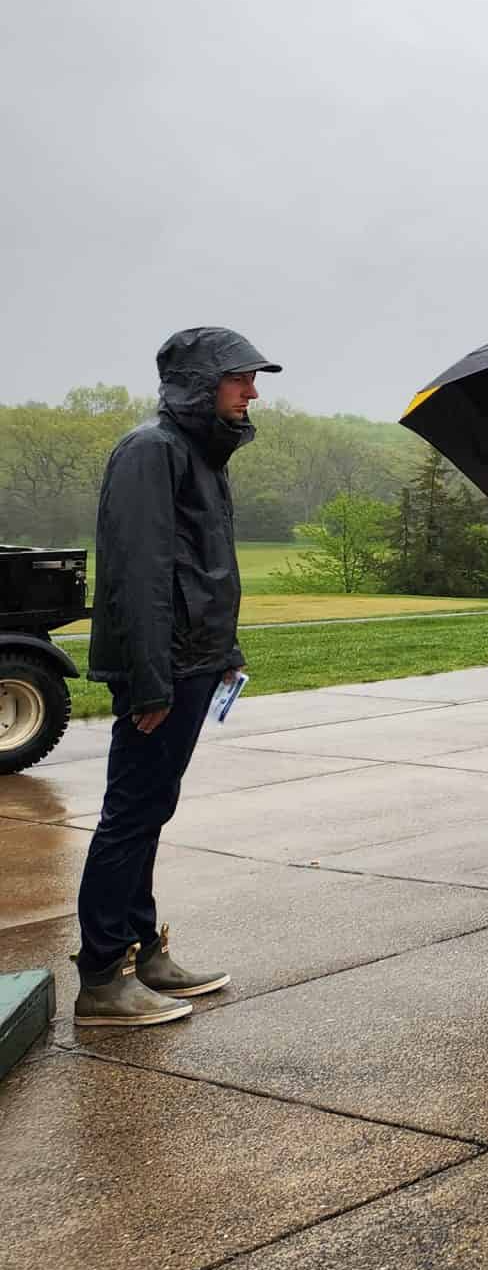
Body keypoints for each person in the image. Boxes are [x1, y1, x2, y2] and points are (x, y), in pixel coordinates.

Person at [73, 327, 281, 1027]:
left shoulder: (199, 453)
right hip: (161, 669)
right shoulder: (151, 450)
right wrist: (150, 680)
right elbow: (137, 575)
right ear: (199, 383)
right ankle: (102, 978)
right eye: (240, 378)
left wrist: (225, 649)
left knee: (151, 809)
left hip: (193, 660)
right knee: (130, 816)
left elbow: (202, 569)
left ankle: (142, 952)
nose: (253, 392)